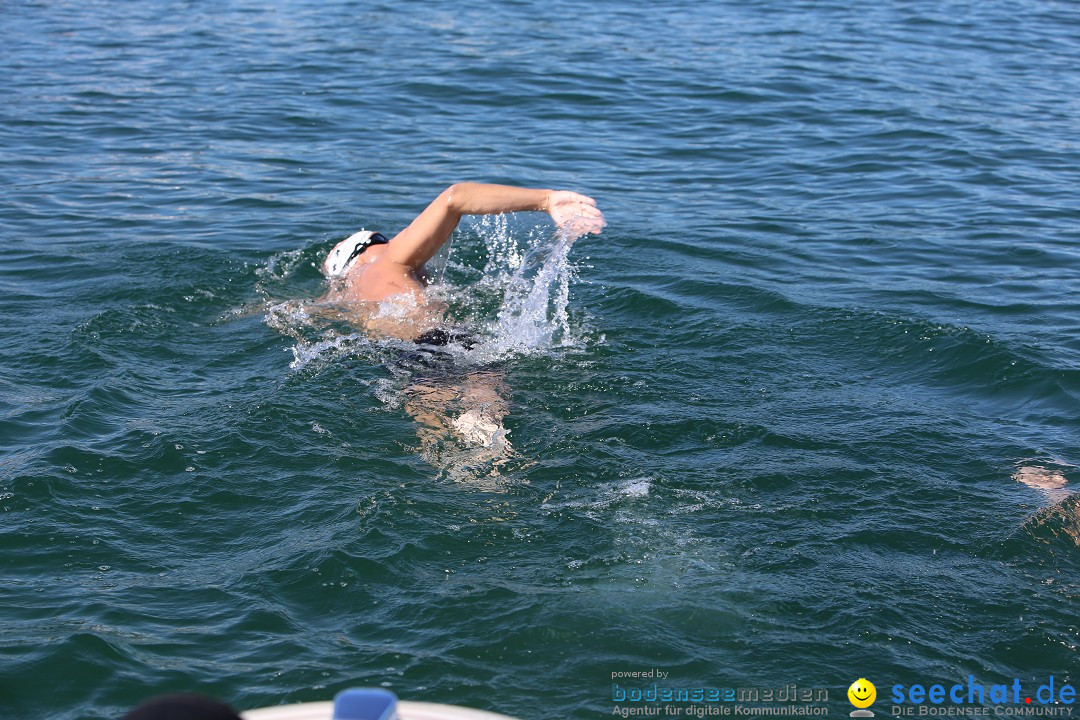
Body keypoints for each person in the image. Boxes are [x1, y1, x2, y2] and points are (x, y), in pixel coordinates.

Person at [320, 183, 605, 341]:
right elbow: (454, 198)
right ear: (367, 246)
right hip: (442, 341)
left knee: (438, 440)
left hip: (400, 359)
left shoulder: (350, 300)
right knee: (487, 434)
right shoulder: (391, 256)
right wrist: (546, 200)